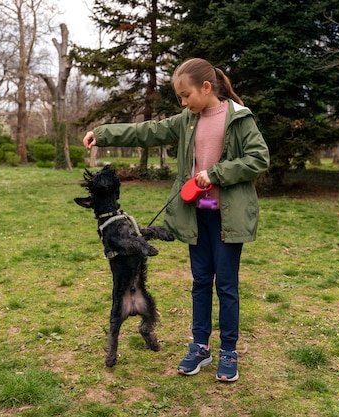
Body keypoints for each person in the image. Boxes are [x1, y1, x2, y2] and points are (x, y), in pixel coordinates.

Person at [82, 57, 269, 382]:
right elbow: (147, 131)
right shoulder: (188, 120)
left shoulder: (239, 119)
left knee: (225, 286)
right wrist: (102, 133)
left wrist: (214, 174)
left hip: (229, 219)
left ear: (206, 88)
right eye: (180, 98)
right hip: (197, 218)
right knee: (199, 284)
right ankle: (200, 346)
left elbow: (258, 158)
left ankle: (228, 351)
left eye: (186, 96)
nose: (183, 103)